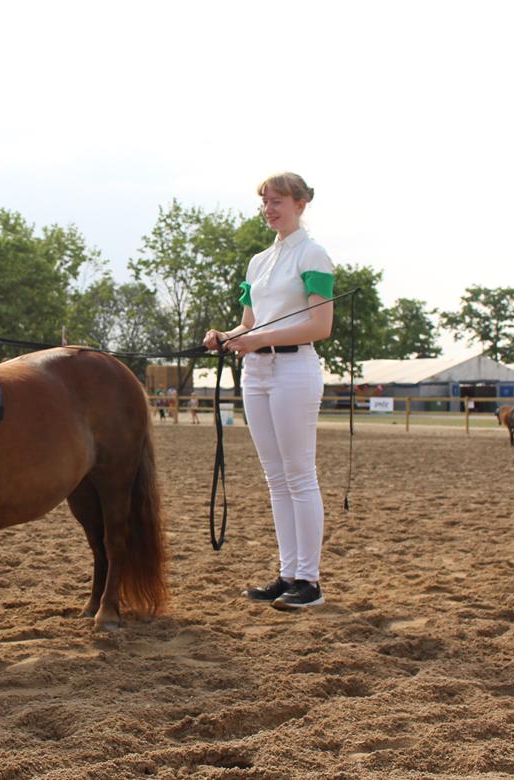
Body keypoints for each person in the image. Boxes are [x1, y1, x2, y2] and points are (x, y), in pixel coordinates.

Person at [202, 171, 334, 610]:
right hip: (256, 371)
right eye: (265, 202)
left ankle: (309, 582)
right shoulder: (258, 261)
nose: (269, 208)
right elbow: (250, 322)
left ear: (301, 203)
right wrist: (226, 334)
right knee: (276, 479)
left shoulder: (313, 256)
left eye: (278, 200)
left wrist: (255, 339)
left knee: (299, 474)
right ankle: (288, 573)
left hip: (294, 368)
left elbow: (320, 325)